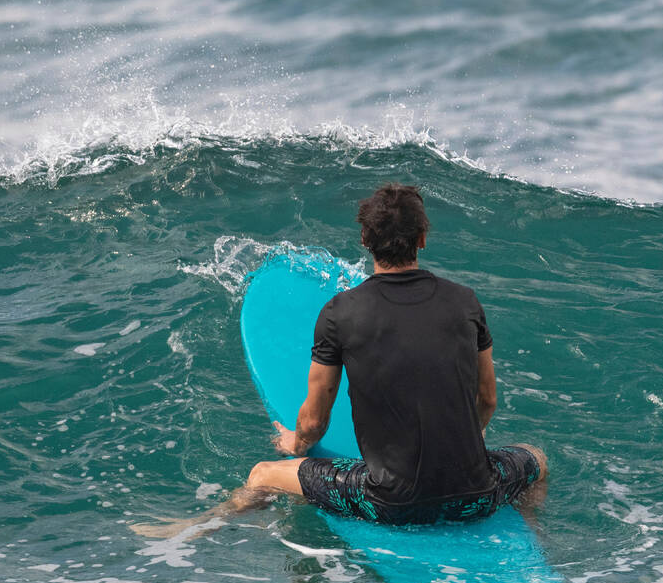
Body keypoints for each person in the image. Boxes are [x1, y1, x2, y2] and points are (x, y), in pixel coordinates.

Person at [132, 184, 547, 540]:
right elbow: (487, 399)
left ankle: (198, 530)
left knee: (262, 474)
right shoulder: (465, 301)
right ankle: (528, 532)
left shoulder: (341, 313)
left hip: (388, 503)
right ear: (423, 238)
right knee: (535, 459)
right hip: (476, 493)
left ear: (365, 239)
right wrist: (456, 450)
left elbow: (314, 422)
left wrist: (293, 444)